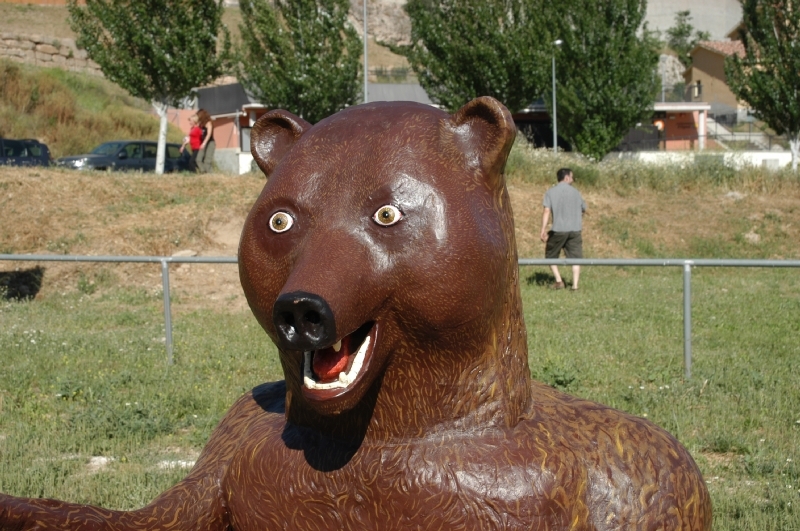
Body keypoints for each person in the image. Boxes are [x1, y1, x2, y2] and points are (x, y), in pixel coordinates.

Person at [540, 167, 587, 291]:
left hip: (558, 230)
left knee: (550, 255)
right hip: (575, 230)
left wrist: (543, 229)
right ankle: (575, 286)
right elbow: (583, 209)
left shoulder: (550, 192)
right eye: (572, 177)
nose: (573, 180)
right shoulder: (576, 192)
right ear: (566, 178)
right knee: (576, 258)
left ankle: (559, 280)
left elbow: (546, 211)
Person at [195, 108, 215, 173]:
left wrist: (204, 143)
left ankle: (212, 176)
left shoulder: (209, 123)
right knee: (198, 160)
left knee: (207, 162)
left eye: (198, 115)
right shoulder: (201, 124)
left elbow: (209, 134)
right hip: (202, 143)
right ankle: (204, 172)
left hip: (210, 143)